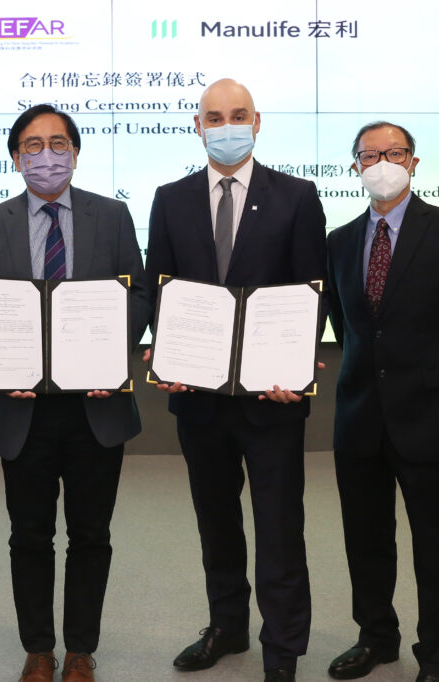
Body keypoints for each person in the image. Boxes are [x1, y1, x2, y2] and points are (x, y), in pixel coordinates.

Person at [0, 104, 150, 682]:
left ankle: (80, 650)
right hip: (23, 410)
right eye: (33, 145)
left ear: (76, 152)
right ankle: (39, 648)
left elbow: (137, 295)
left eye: (58, 143)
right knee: (30, 535)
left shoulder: (112, 216)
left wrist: (109, 352)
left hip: (96, 406)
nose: (47, 155)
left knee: (92, 533)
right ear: (16, 156)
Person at [143, 79, 326, 682]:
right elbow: (158, 288)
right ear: (198, 126)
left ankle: (283, 648)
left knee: (279, 526)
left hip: (271, 400)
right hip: (197, 399)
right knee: (215, 520)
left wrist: (296, 365)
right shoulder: (170, 199)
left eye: (238, 115)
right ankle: (227, 626)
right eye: (214, 117)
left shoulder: (298, 196)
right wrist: (161, 353)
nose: (226, 126)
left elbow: (311, 293)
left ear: (257, 121)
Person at [324, 122, 439, 682]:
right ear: (354, 166)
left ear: (414, 162)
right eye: (369, 154)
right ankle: (376, 637)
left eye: (393, 152)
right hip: (359, 418)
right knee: (366, 540)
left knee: (435, 544)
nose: (382, 162)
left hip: (429, 417)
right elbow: (347, 326)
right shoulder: (340, 241)